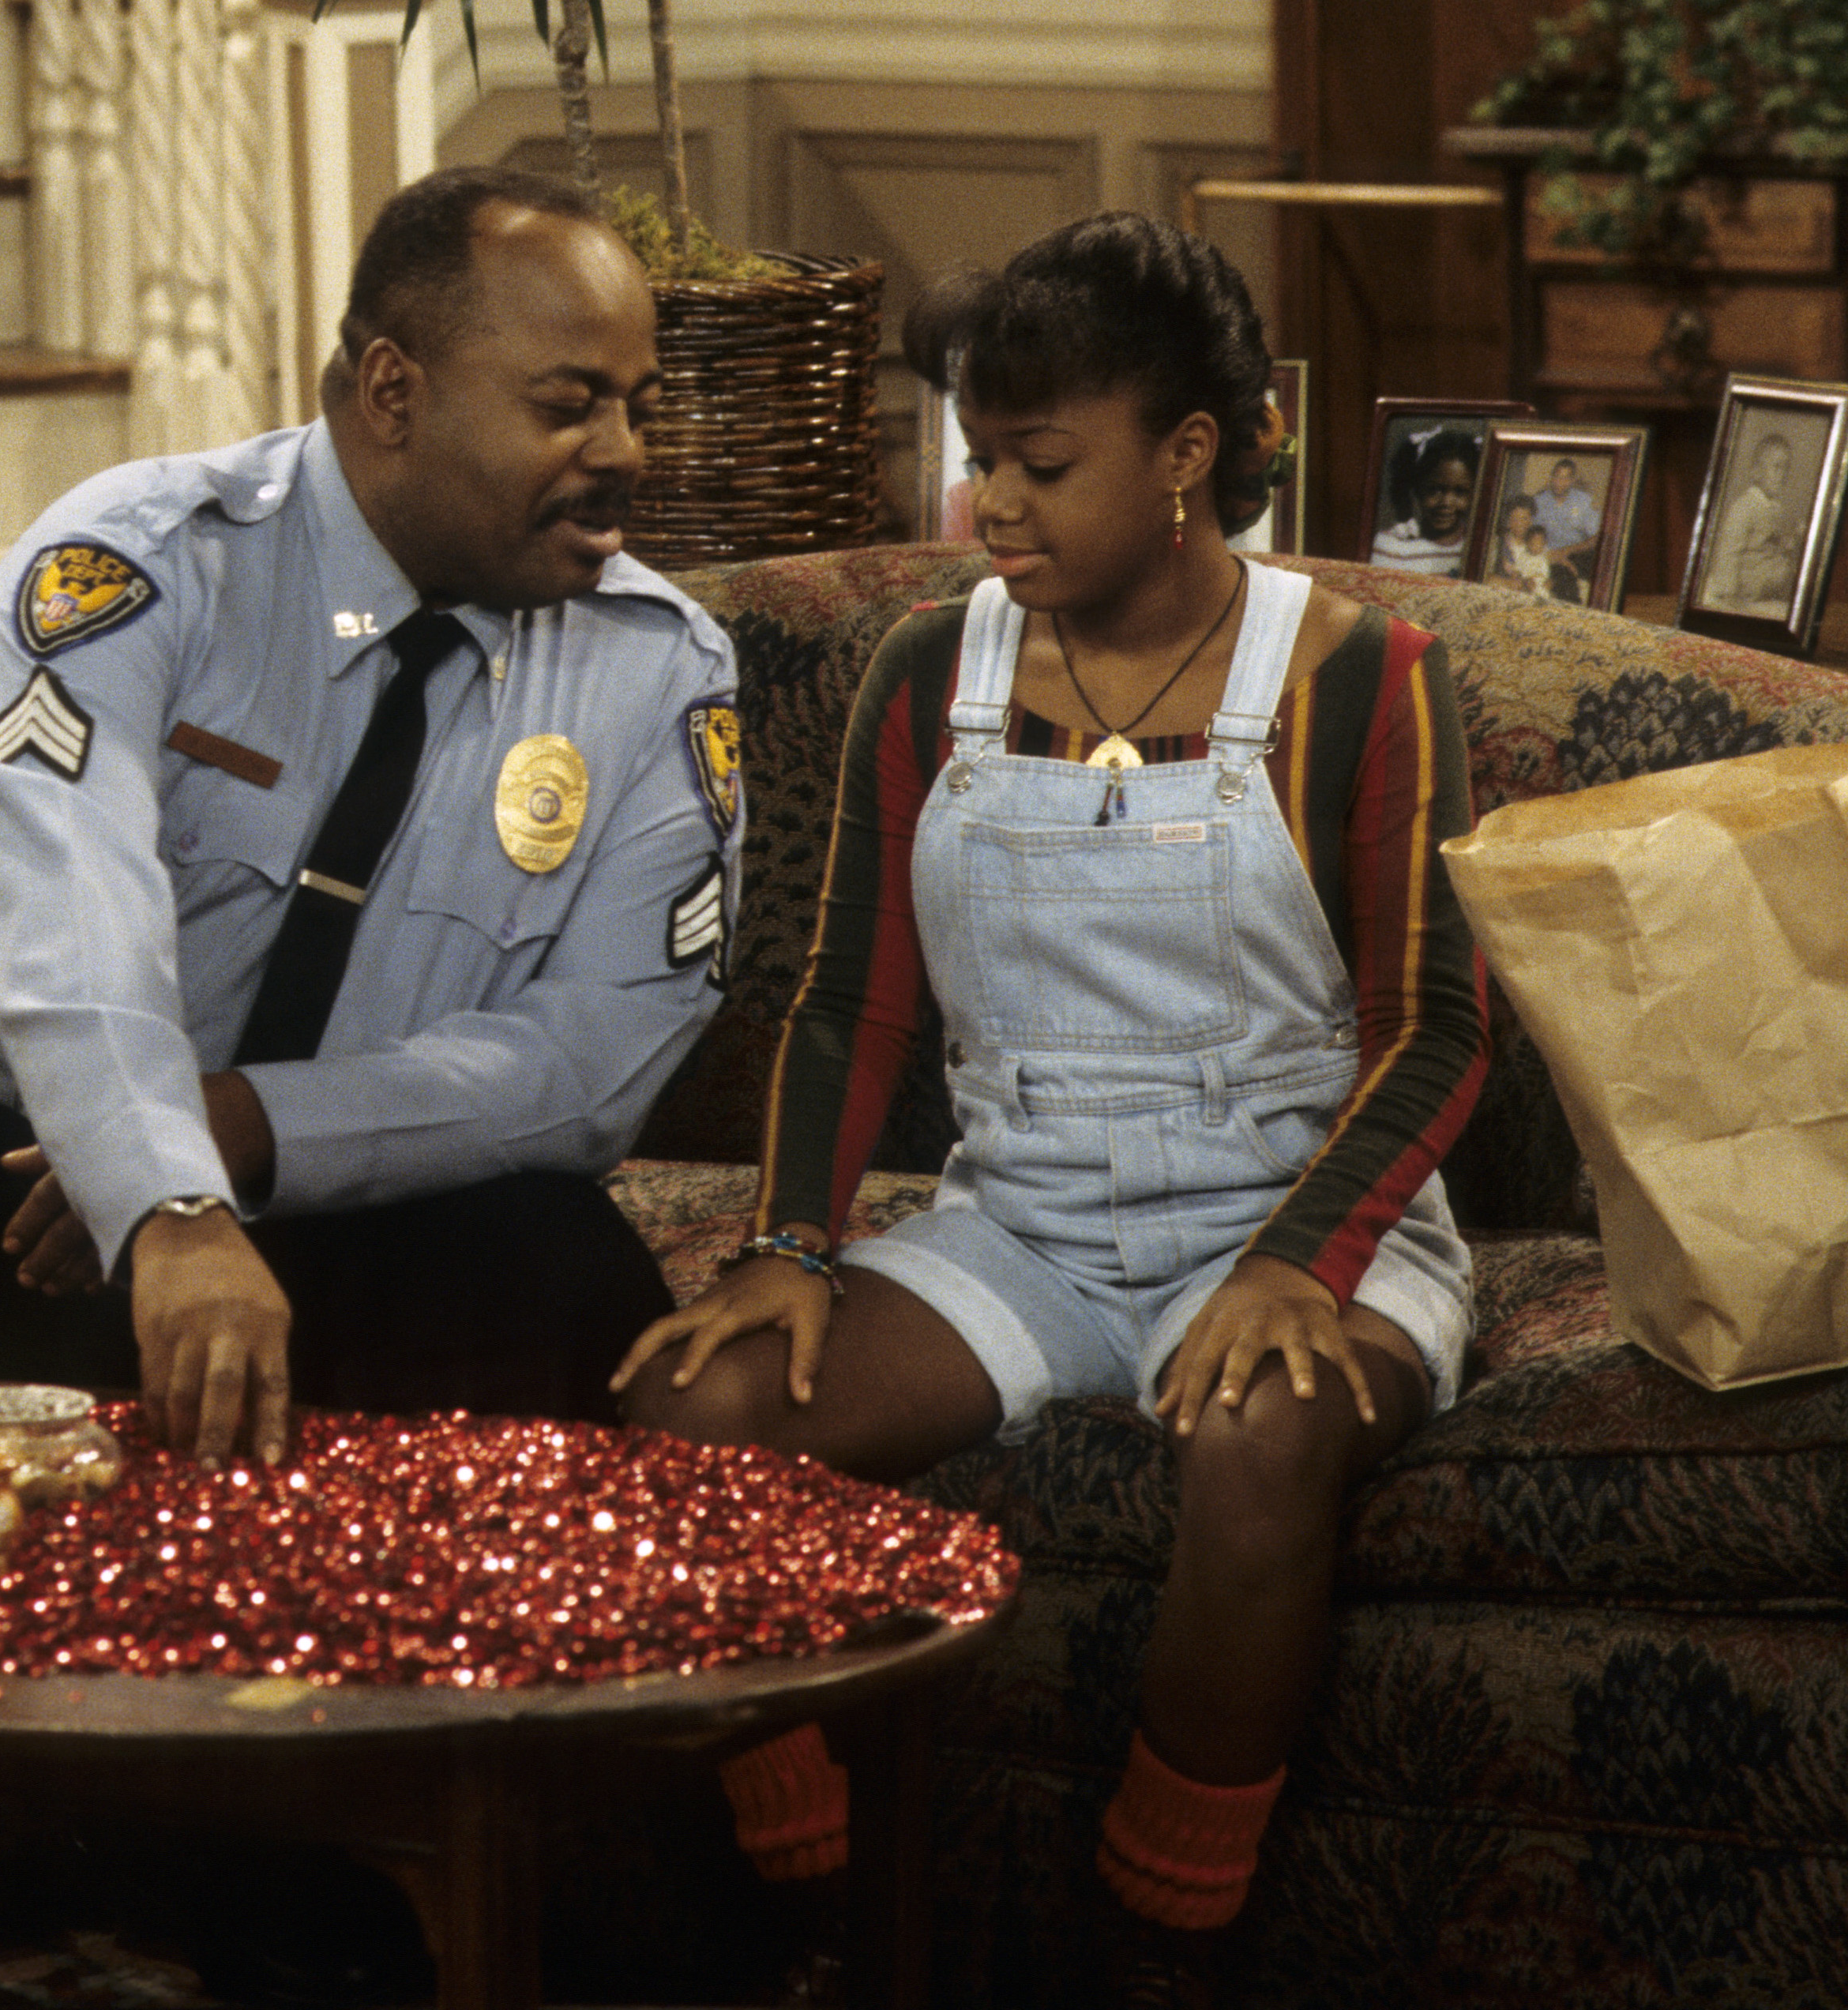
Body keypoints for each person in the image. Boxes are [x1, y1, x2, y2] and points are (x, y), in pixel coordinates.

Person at [0, 163, 742, 2007]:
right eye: (570, 400)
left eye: (637, 399)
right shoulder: (130, 564)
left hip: (328, 1188)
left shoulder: (657, 673)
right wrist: (157, 1195)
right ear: (389, 388)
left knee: (568, 1270)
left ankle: (312, 1850)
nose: (627, 450)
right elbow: (65, 915)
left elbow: (589, 1060)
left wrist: (231, 1150)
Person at [613, 212, 1487, 2004]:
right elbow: (846, 994)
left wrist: (1297, 1265)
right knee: (695, 1405)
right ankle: (828, 1909)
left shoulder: (1357, 681)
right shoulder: (924, 674)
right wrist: (787, 1239)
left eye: (1036, 463)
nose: (987, 506)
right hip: (1020, 1227)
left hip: (1300, 1223)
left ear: (1185, 455)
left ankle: (1147, 1948)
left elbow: (1436, 1028)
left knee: (1255, 1440)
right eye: (973, 456)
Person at [1701, 434, 1800, 618]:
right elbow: (1729, 552)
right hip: (1745, 584)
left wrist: (1790, 542)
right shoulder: (1744, 507)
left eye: (1787, 468)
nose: (1783, 474)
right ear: (1756, 472)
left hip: (1766, 580)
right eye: (1777, 467)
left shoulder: (1775, 507)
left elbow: (1772, 543)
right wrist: (1728, 592)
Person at [1366, 426, 1476, 573]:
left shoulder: (1479, 546)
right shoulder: (1390, 546)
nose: (1446, 503)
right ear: (1417, 489)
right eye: (1436, 490)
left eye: (1460, 492)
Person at [1531, 455, 1603, 586]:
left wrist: (1566, 551)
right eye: (1557, 476)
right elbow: (1530, 535)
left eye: (1565, 478)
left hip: (1577, 553)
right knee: (1562, 576)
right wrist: (1550, 555)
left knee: (1600, 564)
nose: (1560, 482)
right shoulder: (1538, 502)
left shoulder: (1584, 501)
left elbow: (1596, 537)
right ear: (1551, 477)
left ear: (1572, 480)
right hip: (1549, 554)